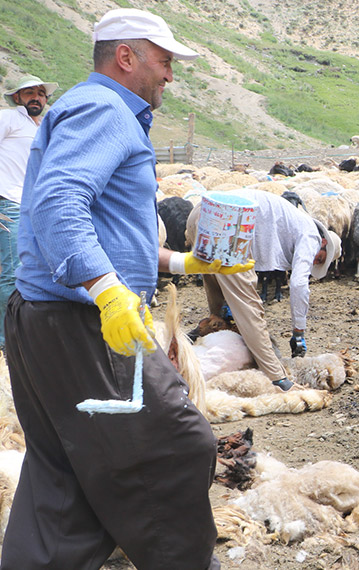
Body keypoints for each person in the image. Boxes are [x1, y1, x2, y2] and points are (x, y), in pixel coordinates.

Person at [1, 9, 254, 570]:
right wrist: (109, 291)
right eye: (164, 61)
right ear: (126, 56)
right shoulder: (103, 109)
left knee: (63, 474)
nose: (170, 75)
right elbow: (58, 205)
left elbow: (102, 224)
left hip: (48, 321)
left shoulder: (96, 110)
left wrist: (182, 260)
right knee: (177, 446)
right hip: (83, 325)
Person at [187, 189, 340, 383]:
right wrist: (298, 332)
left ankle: (202, 349)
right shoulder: (311, 235)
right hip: (228, 222)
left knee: (221, 308)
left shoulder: (292, 220)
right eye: (319, 258)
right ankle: (279, 379)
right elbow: (299, 283)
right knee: (250, 312)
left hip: (204, 212)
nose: (313, 262)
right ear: (323, 242)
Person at [0, 74, 56, 351]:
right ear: (16, 98)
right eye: (29, 92)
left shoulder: (43, 127)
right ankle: (6, 340)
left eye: (41, 93)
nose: (36, 97)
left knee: (31, 269)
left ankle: (21, 332)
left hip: (33, 206)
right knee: (11, 271)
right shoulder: (8, 118)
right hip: (7, 201)